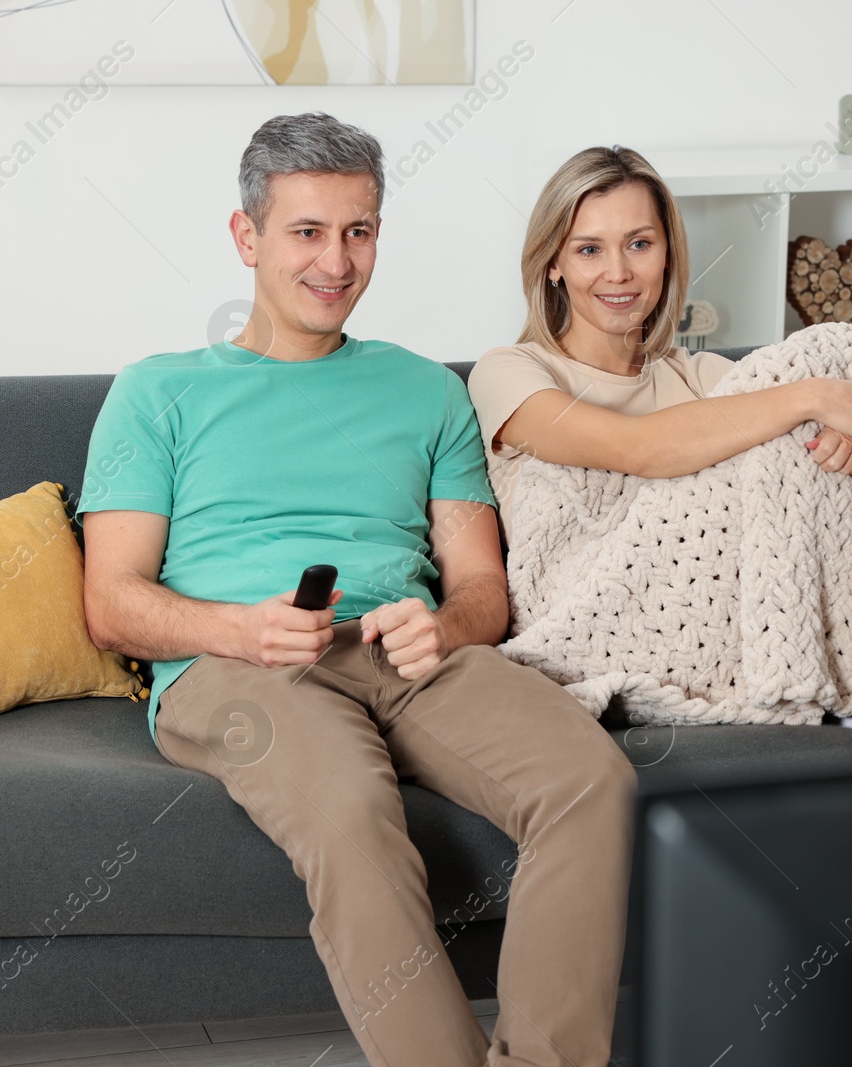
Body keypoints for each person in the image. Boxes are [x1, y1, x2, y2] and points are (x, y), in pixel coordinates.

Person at [75, 113, 637, 1067]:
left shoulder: (426, 392)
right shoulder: (157, 392)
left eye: (360, 230)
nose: (337, 261)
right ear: (246, 237)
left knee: (593, 782)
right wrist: (240, 630)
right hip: (236, 671)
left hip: (404, 651)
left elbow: (481, 591)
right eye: (307, 232)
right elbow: (112, 601)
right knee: (347, 810)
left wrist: (446, 624)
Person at [467, 145, 852, 546]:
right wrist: (818, 397)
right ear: (553, 264)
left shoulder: (694, 376)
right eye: (589, 250)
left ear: (667, 253)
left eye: (639, 244)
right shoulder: (508, 372)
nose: (618, 273)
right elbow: (637, 449)